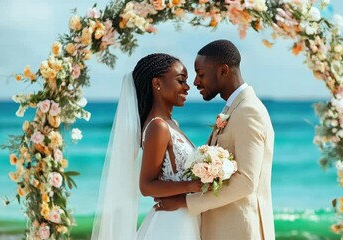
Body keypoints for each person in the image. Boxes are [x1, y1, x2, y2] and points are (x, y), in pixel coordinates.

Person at [155, 40, 276, 239]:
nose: (195, 82)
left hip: (241, 230)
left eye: (200, 74)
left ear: (223, 70)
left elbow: (246, 182)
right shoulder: (234, 109)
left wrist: (185, 201)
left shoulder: (248, 111)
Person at [91, 53, 202, 240]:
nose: (187, 87)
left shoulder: (172, 124)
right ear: (157, 83)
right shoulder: (158, 126)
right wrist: (192, 185)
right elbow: (147, 185)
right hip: (171, 224)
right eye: (180, 80)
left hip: (184, 218)